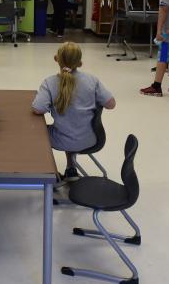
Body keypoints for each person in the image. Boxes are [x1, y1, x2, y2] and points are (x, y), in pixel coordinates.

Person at [32, 42, 115, 183]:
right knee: (73, 124)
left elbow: (38, 109)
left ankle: (48, 173)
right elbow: (111, 104)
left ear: (56, 59)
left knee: (36, 132)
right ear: (80, 63)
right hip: (90, 138)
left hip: (62, 139)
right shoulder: (92, 81)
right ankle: (71, 168)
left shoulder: (49, 83)